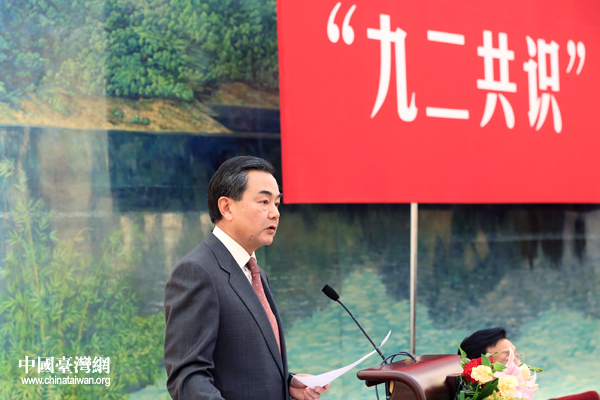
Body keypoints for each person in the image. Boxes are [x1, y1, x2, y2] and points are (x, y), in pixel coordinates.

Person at [164, 156, 329, 400]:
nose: (275, 213)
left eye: (277, 203)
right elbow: (187, 377)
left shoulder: (256, 273)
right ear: (226, 207)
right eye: (264, 202)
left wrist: (287, 383)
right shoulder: (197, 271)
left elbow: (242, 367)